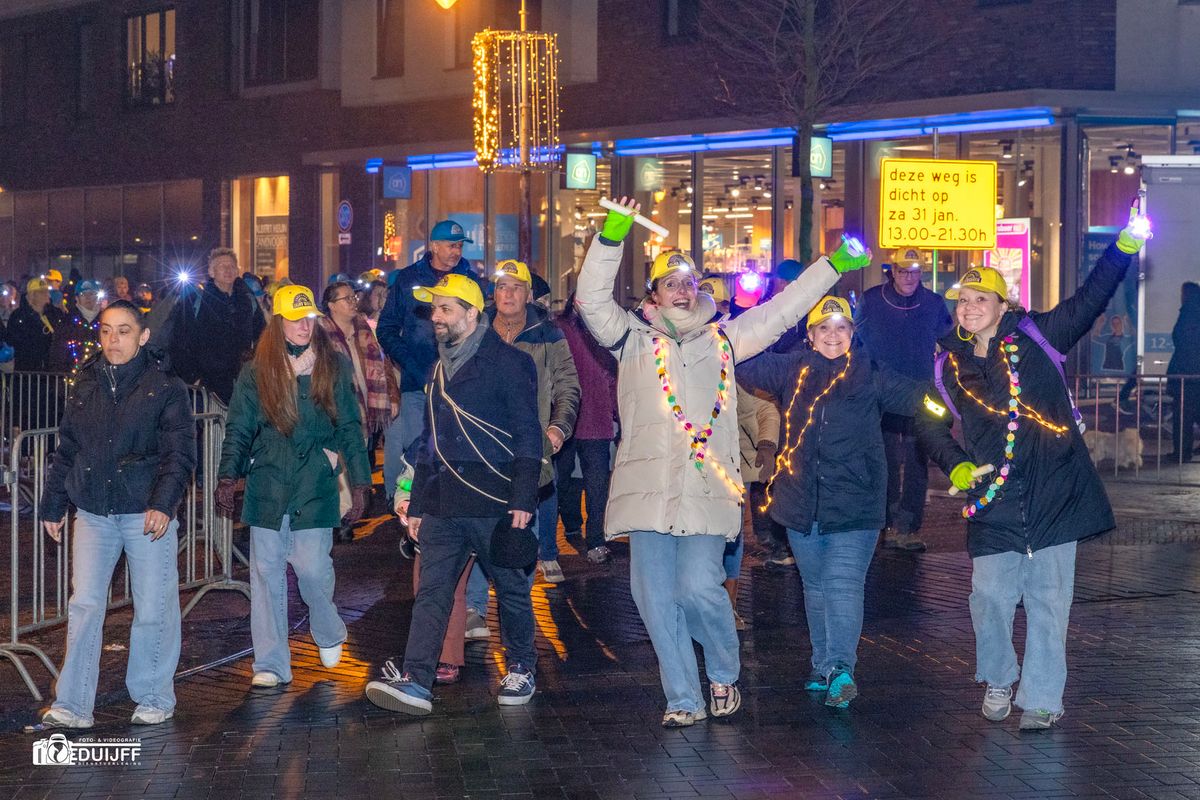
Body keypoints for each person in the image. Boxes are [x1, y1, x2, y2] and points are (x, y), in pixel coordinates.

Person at [574, 197, 870, 728]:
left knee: (696, 590)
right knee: (654, 600)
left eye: (689, 283)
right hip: (646, 497)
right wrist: (612, 236)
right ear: (654, 295)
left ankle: (724, 672)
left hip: (707, 493)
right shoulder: (631, 341)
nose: (682, 291)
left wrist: (830, 267)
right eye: (671, 283)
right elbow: (591, 299)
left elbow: (781, 313)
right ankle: (683, 697)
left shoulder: (726, 340)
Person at [916, 212, 1150, 731]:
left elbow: (1091, 299)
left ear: (1005, 306)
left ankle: (1042, 699)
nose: (970, 307)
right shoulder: (946, 365)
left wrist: (1124, 247)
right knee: (989, 598)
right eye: (963, 300)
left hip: (1055, 492)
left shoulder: (1040, 336)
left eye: (981, 299)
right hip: (993, 501)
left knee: (1048, 603)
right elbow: (928, 423)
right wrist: (955, 467)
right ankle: (999, 675)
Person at [364, 273, 543, 715]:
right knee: (432, 592)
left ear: (470, 313)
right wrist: (419, 504)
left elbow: (527, 434)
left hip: (494, 499)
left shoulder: (509, 362)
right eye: (433, 309)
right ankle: (417, 680)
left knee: (511, 588)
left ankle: (521, 667)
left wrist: (523, 499)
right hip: (444, 501)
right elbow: (430, 441)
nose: (435, 317)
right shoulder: (437, 368)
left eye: (445, 308)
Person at [738, 295, 925, 708]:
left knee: (842, 585)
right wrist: (733, 323)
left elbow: (922, 398)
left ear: (853, 334)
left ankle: (841, 668)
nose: (833, 335)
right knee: (816, 587)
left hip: (856, 505)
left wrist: (958, 388)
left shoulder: (869, 373)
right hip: (800, 504)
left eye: (842, 327)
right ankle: (822, 665)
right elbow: (741, 358)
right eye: (824, 327)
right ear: (810, 335)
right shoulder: (791, 368)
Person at [36, 300, 195, 728]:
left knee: (153, 606)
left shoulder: (165, 386)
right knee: (85, 603)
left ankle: (154, 694)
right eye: (106, 330)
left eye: (124, 330)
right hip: (93, 509)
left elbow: (179, 453)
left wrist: (163, 503)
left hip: (145, 511)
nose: (113, 340)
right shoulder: (85, 382)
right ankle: (73, 703)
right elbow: (67, 446)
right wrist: (53, 504)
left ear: (143, 336)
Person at [214, 285, 371, 688]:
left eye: (309, 318)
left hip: (314, 482)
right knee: (265, 575)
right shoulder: (256, 371)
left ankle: (329, 628)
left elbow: (350, 426)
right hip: (267, 481)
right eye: (295, 318)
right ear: (278, 321)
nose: (305, 325)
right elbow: (240, 427)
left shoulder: (332, 366)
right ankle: (270, 663)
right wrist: (227, 475)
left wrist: (360, 481)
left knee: (313, 568)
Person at [376, 220, 486, 504]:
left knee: (458, 453)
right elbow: (386, 329)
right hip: (418, 386)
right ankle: (416, 523)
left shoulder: (469, 280)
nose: (456, 251)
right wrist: (412, 364)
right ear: (434, 246)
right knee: (419, 455)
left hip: (460, 386)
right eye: (451, 245)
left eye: (460, 245)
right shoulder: (408, 279)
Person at [854, 250, 952, 552]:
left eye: (914, 272)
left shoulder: (933, 304)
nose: (909, 278)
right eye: (903, 272)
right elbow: (855, 341)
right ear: (891, 272)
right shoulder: (872, 301)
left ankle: (907, 527)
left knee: (915, 461)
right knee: (882, 460)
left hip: (919, 393)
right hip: (880, 392)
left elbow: (949, 341)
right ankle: (882, 523)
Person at [488, 259, 580, 583]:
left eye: (516, 287)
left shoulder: (548, 334)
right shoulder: (478, 330)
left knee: (522, 524)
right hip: (485, 445)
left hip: (530, 445)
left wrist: (559, 427)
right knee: (479, 522)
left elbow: (568, 383)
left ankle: (519, 599)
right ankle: (474, 606)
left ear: (529, 294)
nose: (508, 294)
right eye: (502, 286)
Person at [319, 280, 399, 538]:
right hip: (335, 410)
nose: (353, 301)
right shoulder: (320, 334)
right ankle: (340, 519)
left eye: (353, 297)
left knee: (356, 462)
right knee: (339, 466)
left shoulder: (364, 329)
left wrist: (391, 396)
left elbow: (383, 365)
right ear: (331, 305)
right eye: (346, 299)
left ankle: (348, 513)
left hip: (363, 410)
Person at [554, 292, 618, 565]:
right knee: (564, 480)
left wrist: (618, 414)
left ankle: (595, 539)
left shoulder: (609, 332)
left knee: (597, 484)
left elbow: (615, 377)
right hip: (565, 418)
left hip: (597, 418)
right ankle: (571, 526)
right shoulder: (561, 329)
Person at [170, 247, 266, 407]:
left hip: (242, 384)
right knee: (209, 429)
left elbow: (263, 337)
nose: (228, 270)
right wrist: (193, 377)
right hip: (206, 388)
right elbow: (179, 341)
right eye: (222, 266)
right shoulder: (195, 300)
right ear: (211, 272)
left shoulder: (247, 301)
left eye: (232, 266)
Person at [1167, 281, 1200, 462]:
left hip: (1186, 374)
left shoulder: (1188, 313)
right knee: (1193, 413)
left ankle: (1181, 452)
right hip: (1194, 374)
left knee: (1183, 416)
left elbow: (1182, 340)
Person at [8, 277, 64, 371]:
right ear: (31, 295)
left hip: (51, 370)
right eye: (40, 292)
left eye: (46, 291)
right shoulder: (18, 316)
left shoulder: (55, 314)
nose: (45, 295)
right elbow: (12, 339)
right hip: (26, 369)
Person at [49, 279, 103, 373]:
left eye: (91, 294)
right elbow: (58, 352)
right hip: (72, 377)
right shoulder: (67, 321)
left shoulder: (105, 321)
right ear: (77, 298)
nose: (88, 297)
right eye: (83, 294)